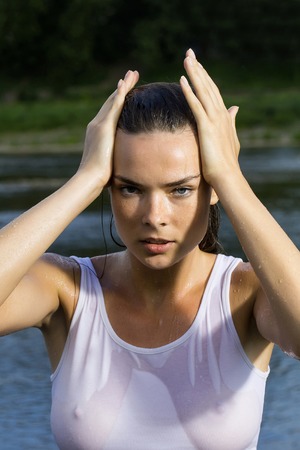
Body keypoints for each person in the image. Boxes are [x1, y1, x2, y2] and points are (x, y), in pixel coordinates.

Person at [0, 48, 299, 450]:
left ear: (211, 189)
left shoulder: (245, 293)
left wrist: (231, 176)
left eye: (181, 189)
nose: (154, 216)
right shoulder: (68, 292)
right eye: (130, 188)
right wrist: (85, 180)